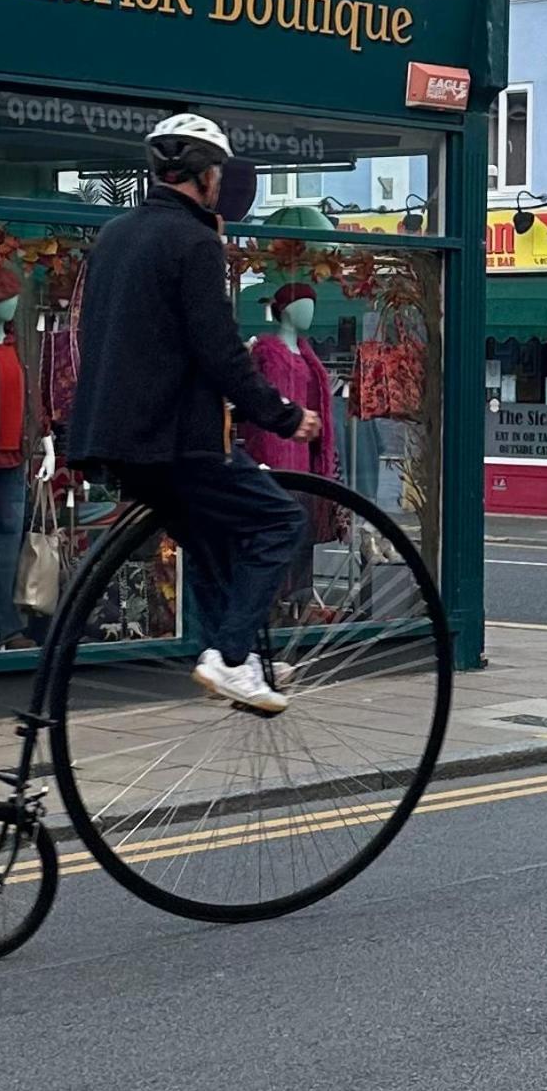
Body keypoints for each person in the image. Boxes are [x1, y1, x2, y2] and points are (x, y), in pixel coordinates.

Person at [67, 113, 321, 712]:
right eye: (219, 176)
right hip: (175, 436)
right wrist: (284, 416)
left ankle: (231, 650)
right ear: (207, 177)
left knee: (211, 540)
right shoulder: (195, 242)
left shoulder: (115, 234)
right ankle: (232, 655)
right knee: (280, 522)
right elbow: (219, 352)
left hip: (118, 439)